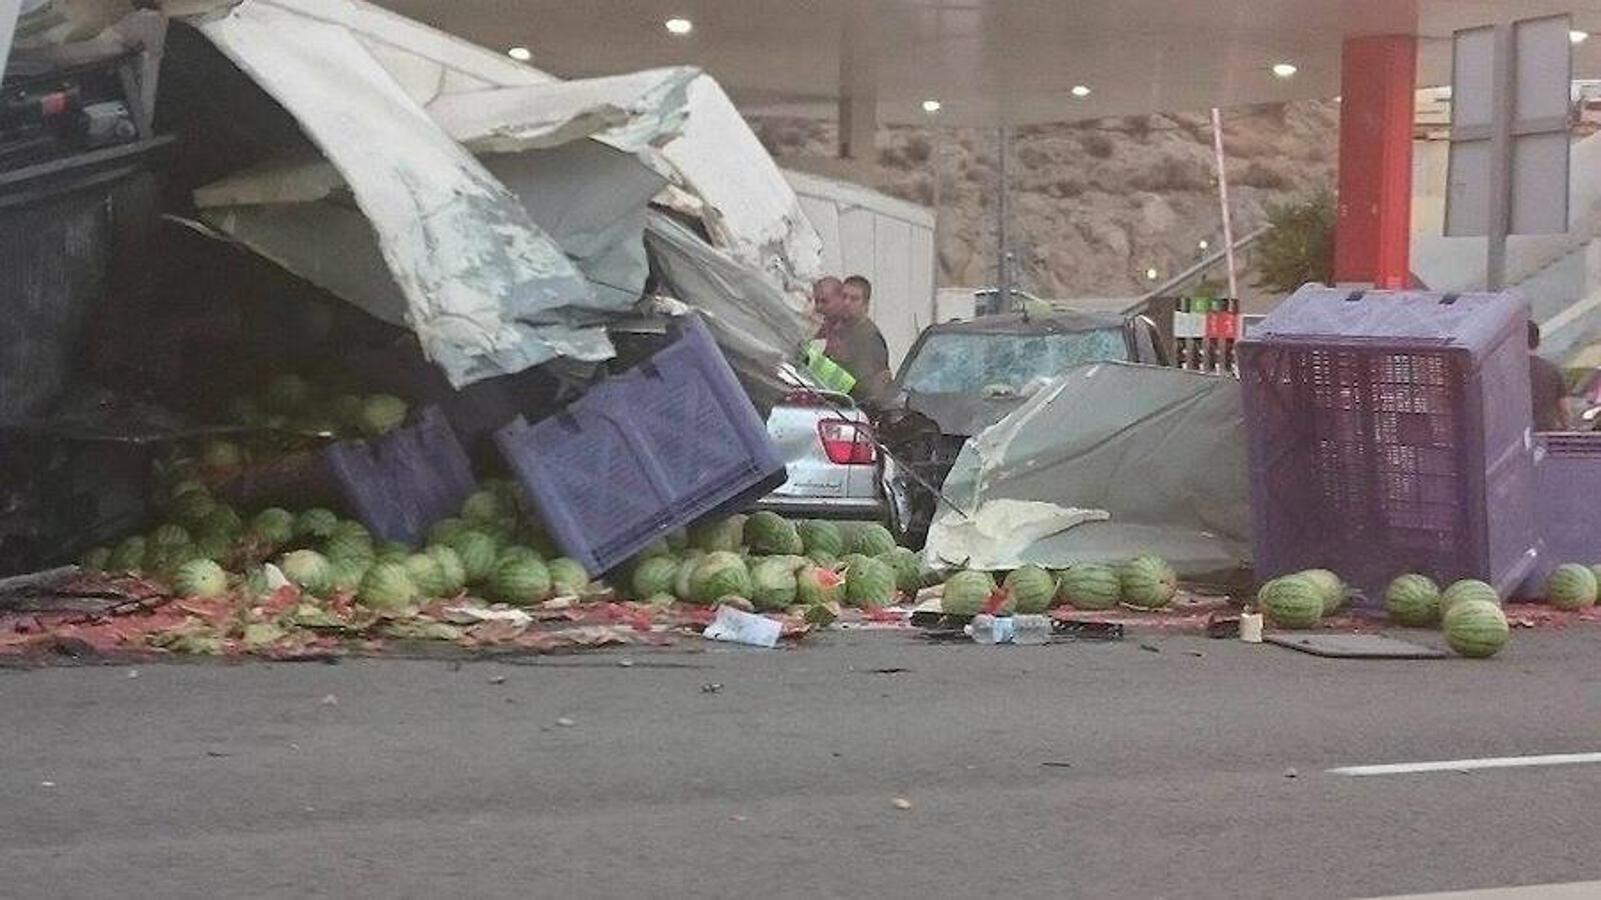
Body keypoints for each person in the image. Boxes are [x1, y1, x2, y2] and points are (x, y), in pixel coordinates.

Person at [816, 274, 893, 408]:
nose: (847, 303)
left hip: (858, 410)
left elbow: (864, 387)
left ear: (865, 305)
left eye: (854, 299)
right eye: (844, 296)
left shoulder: (868, 336)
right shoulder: (841, 329)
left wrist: (817, 364)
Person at [1528, 320, 1569, 432]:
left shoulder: (1508, 372)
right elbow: (1564, 410)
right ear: (1538, 341)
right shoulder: (1552, 370)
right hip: (1546, 435)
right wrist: (1566, 427)